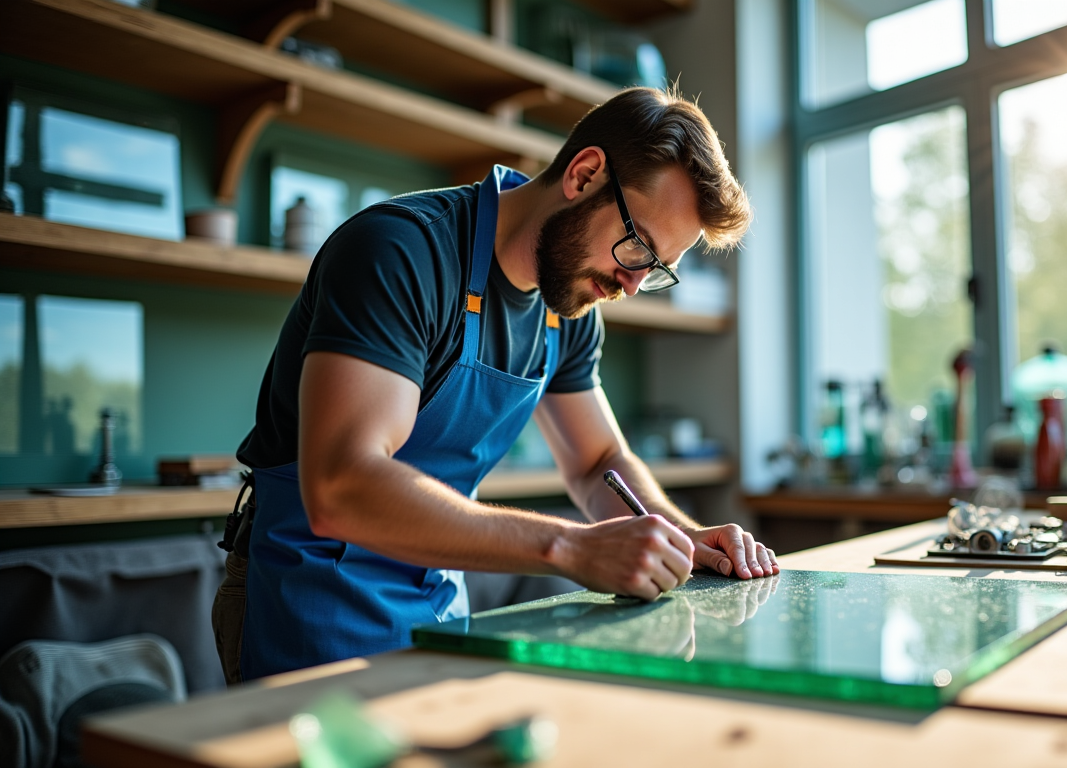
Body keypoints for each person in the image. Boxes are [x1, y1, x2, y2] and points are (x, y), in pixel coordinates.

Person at [212, 86, 779, 683]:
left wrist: (677, 535)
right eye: (637, 248)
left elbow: (598, 462)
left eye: (656, 268)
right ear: (584, 175)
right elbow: (342, 486)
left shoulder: (568, 306)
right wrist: (574, 548)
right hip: (308, 596)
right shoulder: (402, 252)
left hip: (436, 600)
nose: (632, 284)